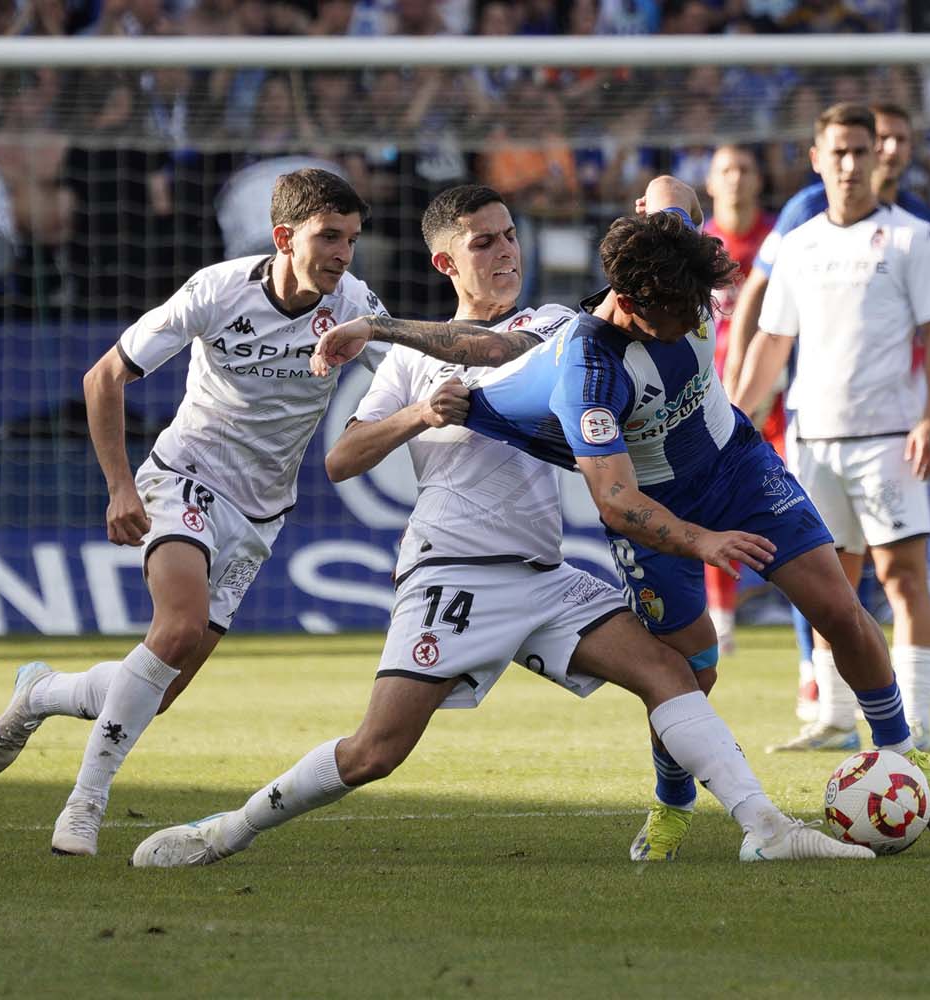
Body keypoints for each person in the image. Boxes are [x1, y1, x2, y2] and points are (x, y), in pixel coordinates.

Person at [130, 184, 872, 867]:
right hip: (453, 573)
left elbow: (500, 348)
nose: (506, 251)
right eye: (483, 242)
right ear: (446, 261)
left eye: (510, 235)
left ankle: (765, 827)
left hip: (543, 573)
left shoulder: (556, 326)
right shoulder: (408, 362)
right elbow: (342, 458)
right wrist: (420, 413)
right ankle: (227, 830)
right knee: (374, 752)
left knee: (670, 672)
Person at [313, 174, 930, 862]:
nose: (691, 326)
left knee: (836, 605)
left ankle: (902, 755)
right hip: (653, 511)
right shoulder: (588, 373)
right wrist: (702, 542)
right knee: (690, 669)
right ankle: (672, 801)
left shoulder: (673, 262)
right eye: (675, 319)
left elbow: (670, 188)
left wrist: (662, 203)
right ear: (630, 304)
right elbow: (614, 500)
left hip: (738, 469)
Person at [0, 168, 393, 857]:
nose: (343, 253)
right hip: (185, 477)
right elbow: (103, 376)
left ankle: (42, 693)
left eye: (351, 238)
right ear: (284, 237)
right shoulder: (218, 290)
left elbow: (407, 369)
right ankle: (85, 804)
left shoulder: (353, 304)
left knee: (158, 688)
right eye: (329, 236)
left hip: (262, 515)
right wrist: (120, 487)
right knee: (177, 628)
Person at [734, 103, 930, 756]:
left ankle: (916, 723)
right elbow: (773, 341)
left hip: (889, 438)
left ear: (876, 156)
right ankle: (834, 719)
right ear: (816, 159)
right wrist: (737, 419)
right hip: (813, 442)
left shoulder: (913, 237)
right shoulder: (799, 243)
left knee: (903, 579)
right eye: (838, 151)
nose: (851, 164)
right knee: (827, 588)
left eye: (861, 150)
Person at [700, 144, 778, 657]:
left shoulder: (779, 239)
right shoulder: (696, 245)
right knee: (714, 504)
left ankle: (816, 624)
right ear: (710, 182)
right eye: (725, 169)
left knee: (796, 499)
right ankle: (721, 622)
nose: (735, 178)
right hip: (710, 394)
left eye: (745, 167)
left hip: (777, 392)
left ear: (758, 179)